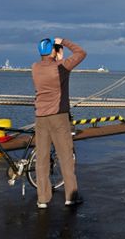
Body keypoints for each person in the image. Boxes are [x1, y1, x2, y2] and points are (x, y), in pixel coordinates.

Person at [32, 37, 86, 209]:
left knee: (41, 159)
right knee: (65, 157)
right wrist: (64, 41)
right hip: (59, 117)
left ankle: (42, 199)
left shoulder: (35, 67)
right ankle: (71, 196)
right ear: (53, 51)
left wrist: (57, 57)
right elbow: (81, 53)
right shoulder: (61, 67)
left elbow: (53, 72)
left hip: (40, 118)